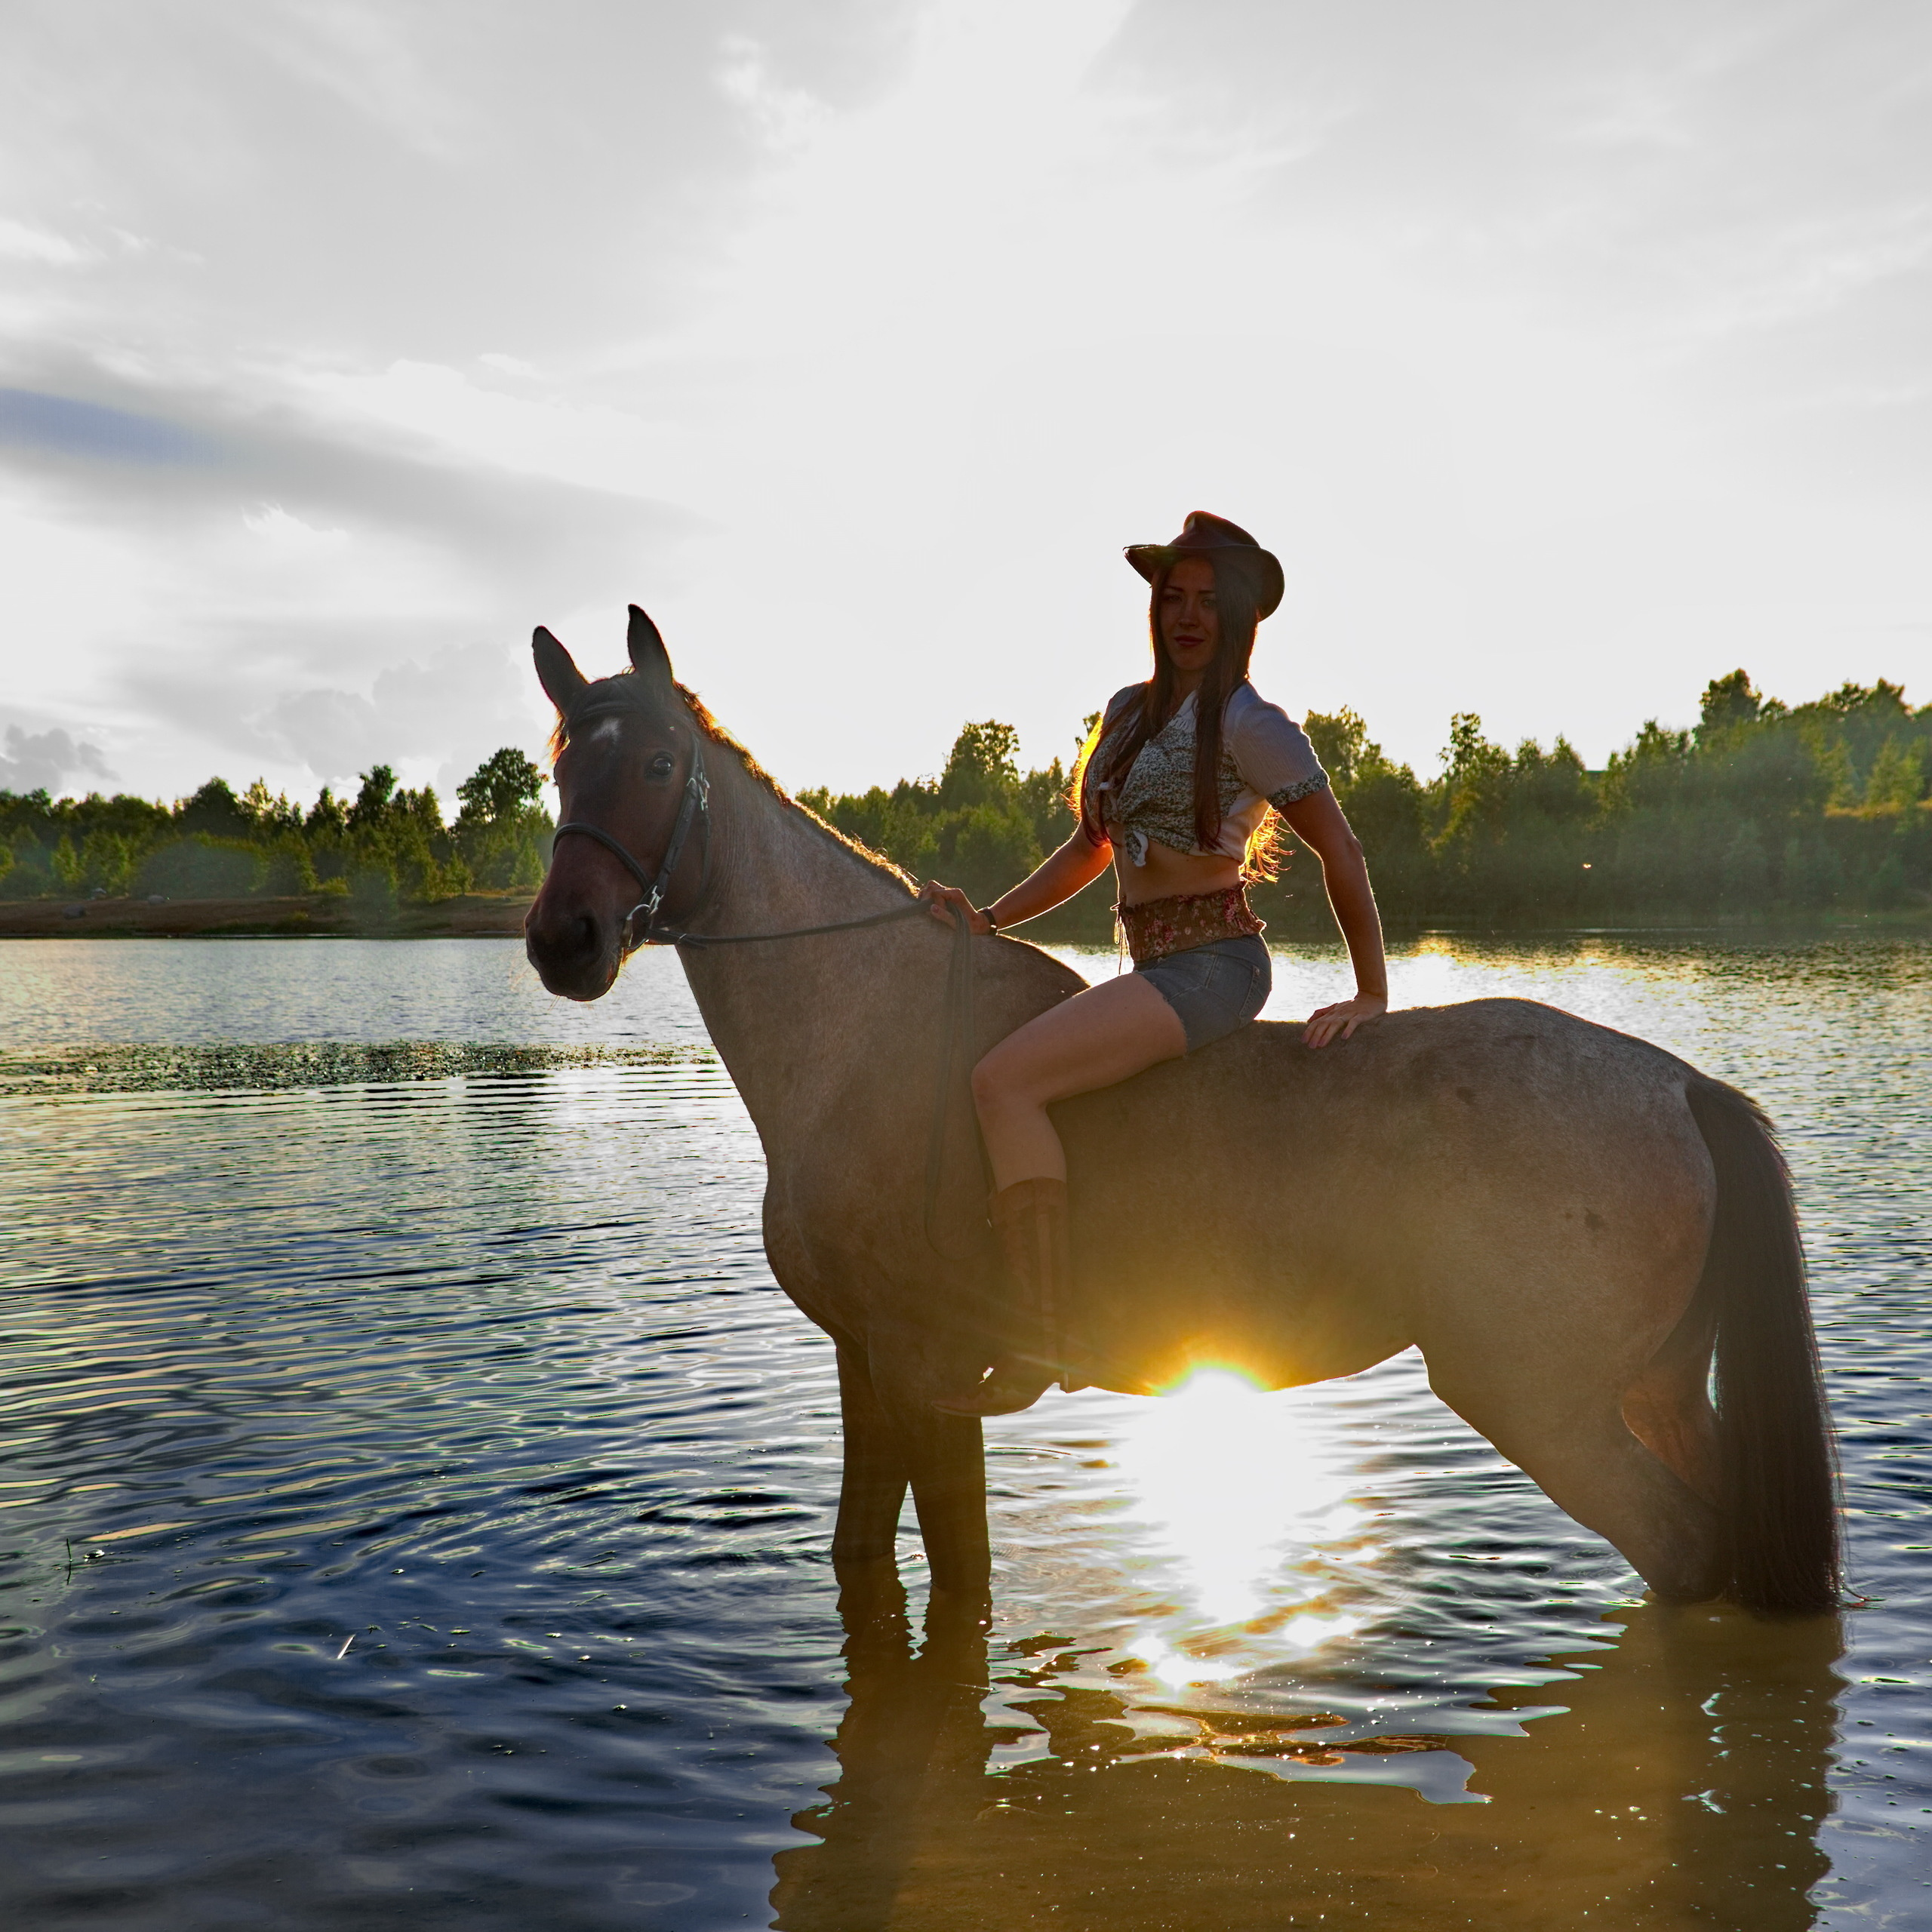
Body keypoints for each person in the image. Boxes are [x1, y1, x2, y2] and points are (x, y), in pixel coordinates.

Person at [921, 510, 1389, 1416]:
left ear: (1239, 616)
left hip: (1216, 966)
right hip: (1150, 969)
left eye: (1208, 601)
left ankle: (1040, 1336)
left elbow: (1343, 852)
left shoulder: (1256, 726)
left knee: (1002, 1083)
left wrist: (1371, 991)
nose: (1186, 616)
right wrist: (989, 919)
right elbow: (1089, 850)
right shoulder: (1127, 714)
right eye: (1173, 597)